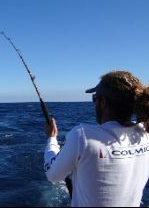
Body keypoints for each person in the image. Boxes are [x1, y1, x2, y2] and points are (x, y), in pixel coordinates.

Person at [44, 70, 149, 207]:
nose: (94, 104)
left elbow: (53, 176)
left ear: (103, 102)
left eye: (95, 99)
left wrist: (51, 139)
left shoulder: (82, 136)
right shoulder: (145, 133)